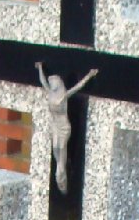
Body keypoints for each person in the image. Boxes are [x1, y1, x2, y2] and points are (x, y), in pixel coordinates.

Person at [35, 62, 98, 192]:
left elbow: (78, 87)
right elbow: (42, 81)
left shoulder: (64, 96)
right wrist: (40, 67)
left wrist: (90, 75)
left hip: (64, 127)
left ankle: (61, 177)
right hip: (55, 125)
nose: (51, 85)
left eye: (53, 83)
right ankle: (62, 179)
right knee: (55, 150)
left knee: (61, 149)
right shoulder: (50, 92)